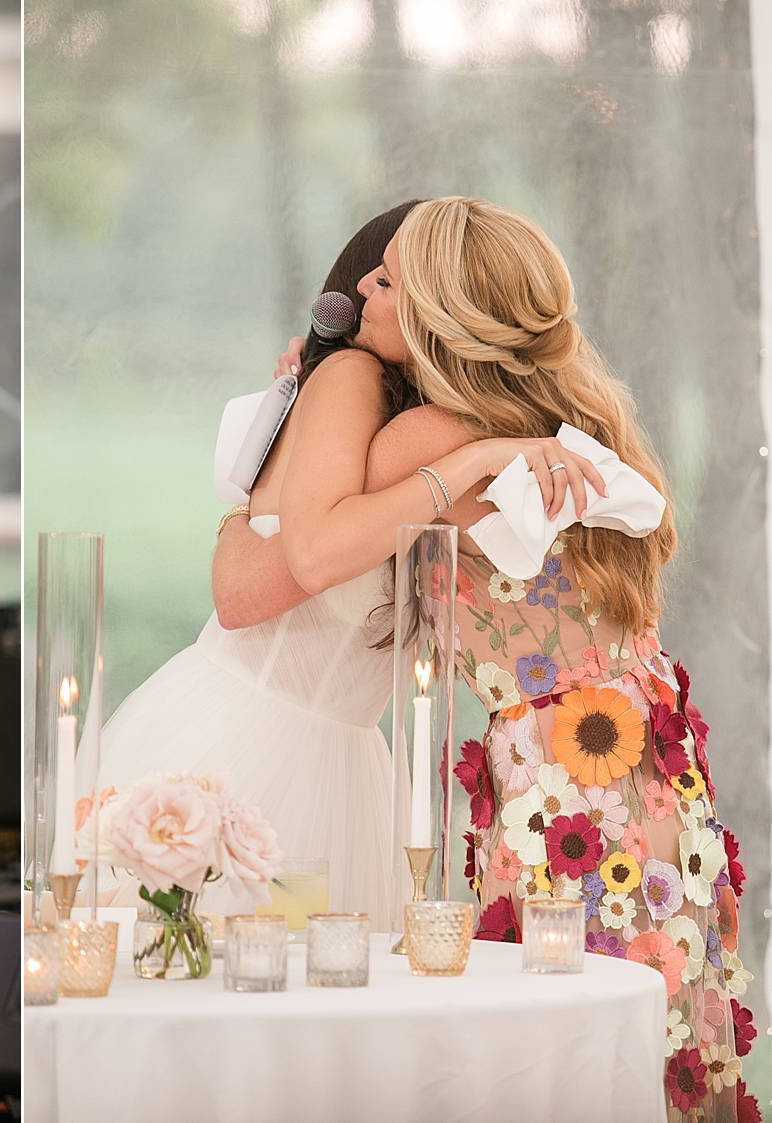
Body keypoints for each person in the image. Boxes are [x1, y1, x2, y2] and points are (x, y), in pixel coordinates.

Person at [222, 196, 753, 1121]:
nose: (360, 292)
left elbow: (288, 552)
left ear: (435, 307)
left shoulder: (428, 436)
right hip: (649, 752)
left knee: (558, 1029)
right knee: (652, 1004)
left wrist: (303, 411)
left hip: (563, 769)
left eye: (388, 278)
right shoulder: (578, 415)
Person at [94, 202, 427, 925]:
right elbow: (242, 592)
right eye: (376, 276)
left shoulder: (400, 416)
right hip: (256, 736)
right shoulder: (351, 385)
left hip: (349, 758)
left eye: (396, 281)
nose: (372, 290)